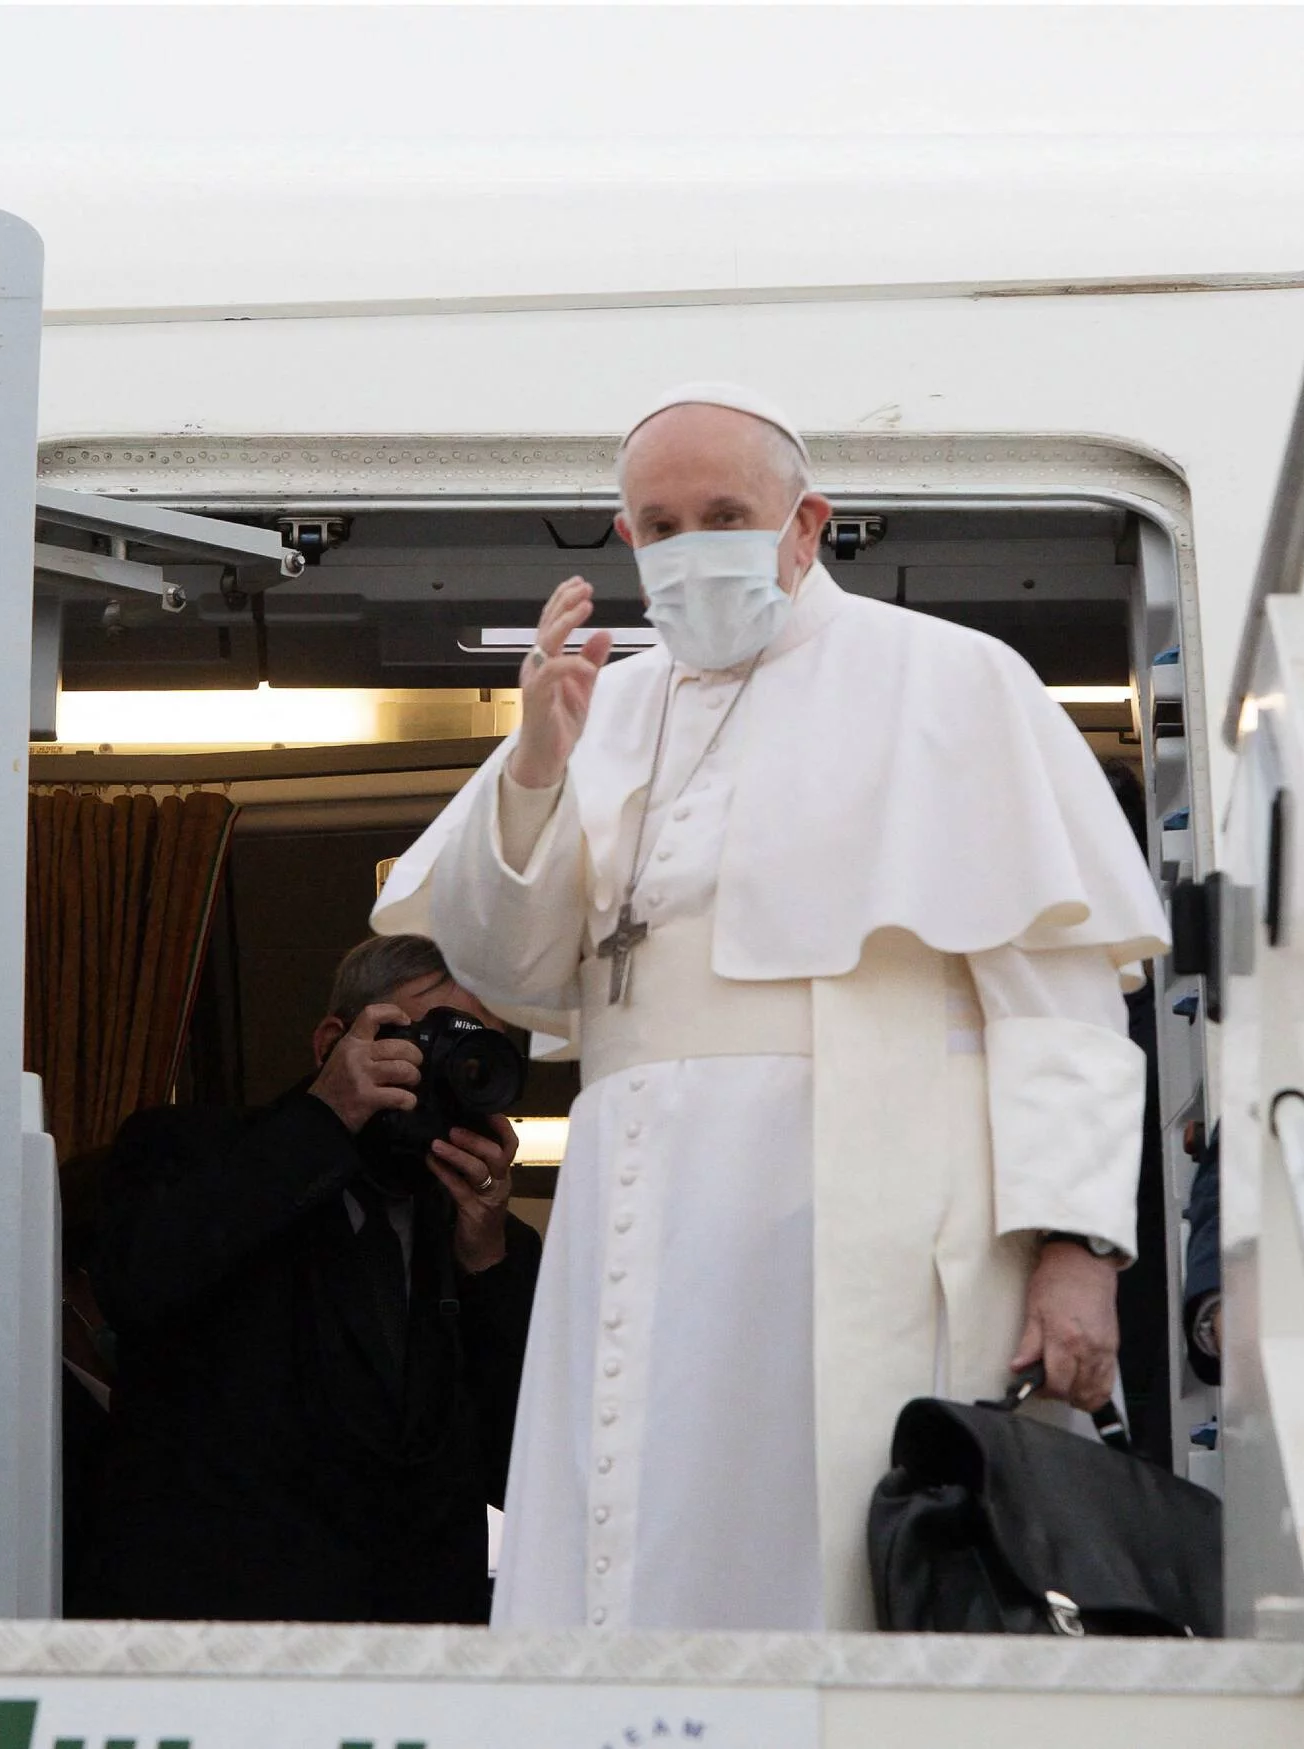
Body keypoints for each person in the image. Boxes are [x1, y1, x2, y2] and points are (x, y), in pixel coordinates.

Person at [376, 383, 1168, 1631]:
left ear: (807, 525)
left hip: (859, 1206)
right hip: (628, 1205)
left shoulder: (953, 681)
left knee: (827, 1564)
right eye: (659, 521)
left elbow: (1058, 1005)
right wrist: (533, 764)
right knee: (618, 1541)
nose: (692, 542)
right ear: (627, 540)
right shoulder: (600, 702)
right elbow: (512, 968)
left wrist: (1074, 1251)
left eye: (725, 512)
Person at [83, 935, 541, 1623]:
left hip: (420, 1652)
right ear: (336, 1038)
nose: (450, 1067)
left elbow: (526, 1467)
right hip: (225, 1635)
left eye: (479, 1050)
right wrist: (324, 1116)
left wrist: (485, 1261)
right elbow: (138, 1281)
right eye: (434, 1034)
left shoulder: (488, 1240)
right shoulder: (187, 1147)